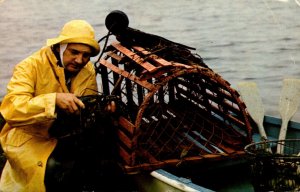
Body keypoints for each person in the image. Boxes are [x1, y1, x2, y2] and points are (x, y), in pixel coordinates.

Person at [0, 20, 107, 191]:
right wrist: (53, 100)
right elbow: (12, 110)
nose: (79, 60)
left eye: (86, 55)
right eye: (74, 52)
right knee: (50, 168)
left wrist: (102, 109)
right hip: (29, 136)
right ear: (59, 47)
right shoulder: (29, 66)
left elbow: (89, 105)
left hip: (65, 133)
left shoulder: (88, 69)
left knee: (99, 162)